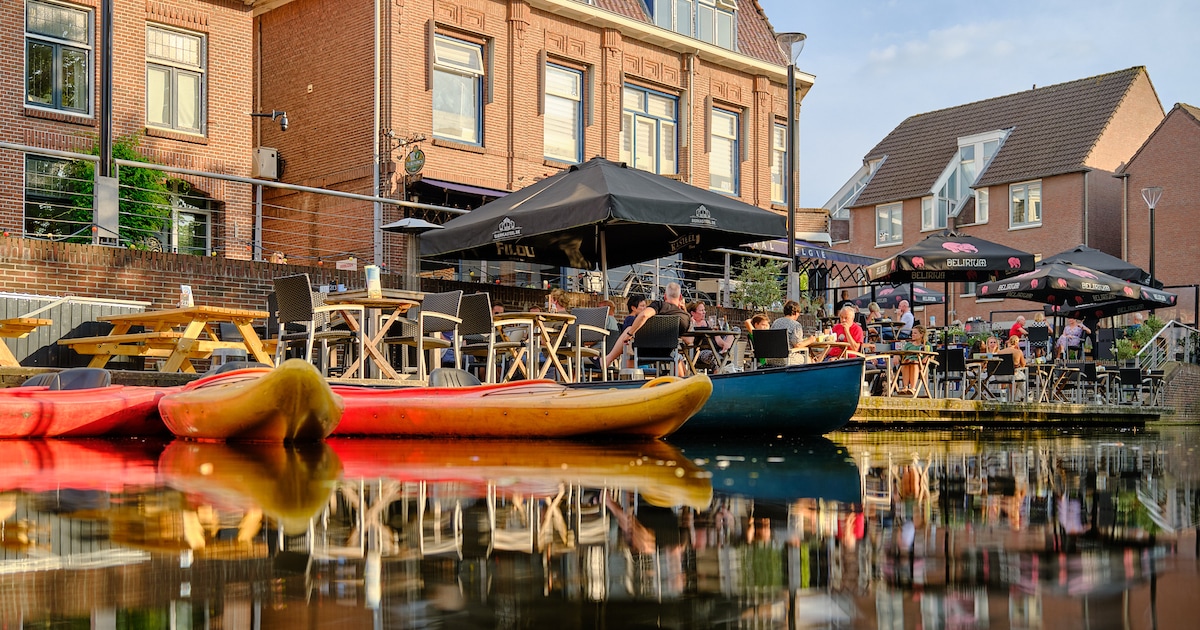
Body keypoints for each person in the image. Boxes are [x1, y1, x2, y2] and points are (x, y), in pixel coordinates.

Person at [604, 282, 690, 368]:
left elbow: (644, 315)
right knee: (678, 357)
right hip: (667, 353)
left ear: (665, 296)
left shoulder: (659, 305)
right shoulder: (685, 317)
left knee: (629, 333)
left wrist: (630, 333)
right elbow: (689, 340)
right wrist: (684, 310)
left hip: (642, 350)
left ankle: (610, 361)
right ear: (680, 297)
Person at [686, 301, 735, 371]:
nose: (704, 312)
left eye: (704, 310)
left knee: (735, 330)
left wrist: (724, 344)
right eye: (701, 310)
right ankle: (719, 377)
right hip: (701, 352)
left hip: (716, 349)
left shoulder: (709, 323)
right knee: (714, 357)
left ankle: (726, 349)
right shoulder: (691, 325)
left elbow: (718, 340)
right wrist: (691, 324)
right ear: (693, 313)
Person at [769, 300, 817, 364]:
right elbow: (798, 345)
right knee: (810, 360)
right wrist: (810, 340)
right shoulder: (796, 325)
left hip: (771, 358)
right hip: (787, 358)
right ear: (796, 312)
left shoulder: (776, 322)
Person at [898, 325, 929, 395]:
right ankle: (905, 387)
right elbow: (902, 354)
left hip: (921, 365)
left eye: (915, 333)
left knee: (914, 362)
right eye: (912, 333)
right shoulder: (908, 345)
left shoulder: (926, 344)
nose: (912, 334)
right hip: (907, 363)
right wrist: (897, 357)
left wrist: (926, 357)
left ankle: (913, 388)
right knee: (906, 361)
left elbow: (930, 355)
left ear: (921, 334)